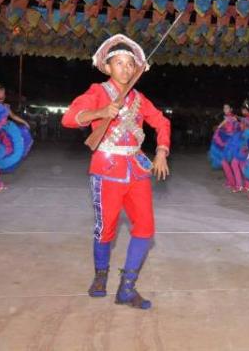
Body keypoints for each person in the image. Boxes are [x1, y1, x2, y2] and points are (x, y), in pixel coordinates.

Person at [61, 34, 171, 309]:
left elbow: (162, 123)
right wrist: (100, 111)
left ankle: (127, 288)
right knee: (105, 229)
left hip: (136, 170)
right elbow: (68, 119)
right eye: (119, 63)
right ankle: (101, 276)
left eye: (129, 64)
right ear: (107, 67)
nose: (125, 68)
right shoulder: (97, 91)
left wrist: (161, 151)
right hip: (106, 169)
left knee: (145, 228)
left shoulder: (139, 97)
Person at [0, 80, 32, 192]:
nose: (1, 95)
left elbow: (13, 116)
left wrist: (24, 122)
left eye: (3, 92)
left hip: (0, 135)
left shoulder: (4, 106)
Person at [208, 104, 239, 190]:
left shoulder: (230, 117)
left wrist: (219, 128)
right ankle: (231, 181)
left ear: (231, 109)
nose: (225, 109)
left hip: (231, 142)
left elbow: (221, 126)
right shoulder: (228, 117)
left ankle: (235, 182)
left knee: (228, 162)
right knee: (226, 162)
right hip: (227, 141)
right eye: (224, 108)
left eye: (227, 108)